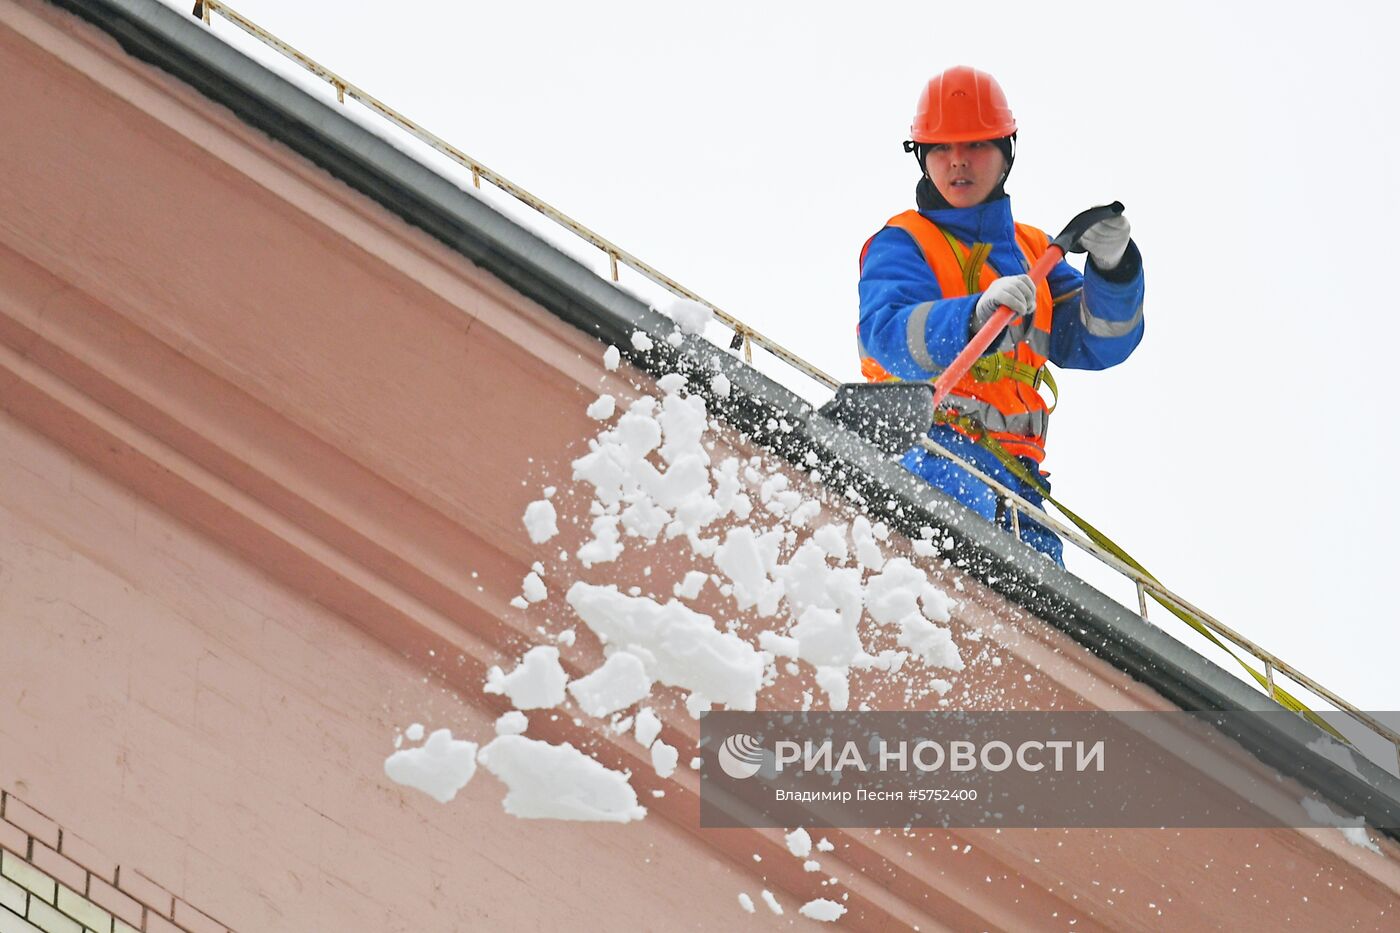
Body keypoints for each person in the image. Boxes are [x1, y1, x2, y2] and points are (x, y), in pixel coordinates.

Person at [857, 66, 1145, 563]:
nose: (957, 163)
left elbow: (1097, 341)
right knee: (954, 578)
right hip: (935, 453)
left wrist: (1113, 269)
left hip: (1020, 480)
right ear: (922, 157)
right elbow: (887, 335)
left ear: (1007, 151)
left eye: (974, 146)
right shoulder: (905, 242)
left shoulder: (1034, 254)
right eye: (941, 148)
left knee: (1050, 614)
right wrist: (972, 317)